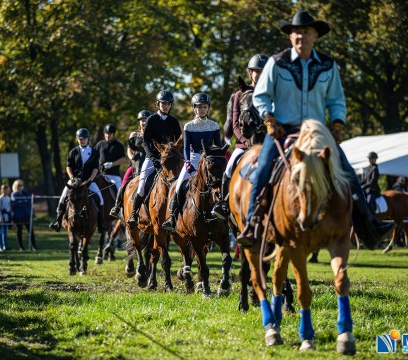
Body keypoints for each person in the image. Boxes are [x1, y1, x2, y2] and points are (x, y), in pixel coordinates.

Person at [237, 10, 392, 249]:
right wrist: (268, 118)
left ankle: (369, 227)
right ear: (290, 36)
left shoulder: (328, 65)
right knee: (264, 169)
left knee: (347, 173)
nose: (301, 36)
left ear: (315, 35)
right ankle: (252, 224)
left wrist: (338, 123)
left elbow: (336, 100)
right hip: (282, 129)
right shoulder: (277, 63)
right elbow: (261, 95)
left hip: (318, 132)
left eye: (306, 32)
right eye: (296, 32)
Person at [212, 54, 269, 220]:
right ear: (249, 73)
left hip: (267, 144)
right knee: (228, 170)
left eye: (262, 71)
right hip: (243, 146)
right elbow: (235, 124)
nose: (259, 74)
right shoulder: (239, 95)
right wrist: (247, 142)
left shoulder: (271, 94)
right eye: (256, 71)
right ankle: (223, 204)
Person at [162, 93, 221, 232]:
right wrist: (187, 162)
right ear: (194, 109)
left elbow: (217, 146)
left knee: (221, 184)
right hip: (194, 159)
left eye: (204, 107)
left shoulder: (214, 125)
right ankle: (172, 217)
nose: (201, 110)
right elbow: (187, 147)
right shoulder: (188, 126)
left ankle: (224, 213)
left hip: (209, 160)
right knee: (179, 185)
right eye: (198, 107)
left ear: (208, 108)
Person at [126, 90, 182, 229]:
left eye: (168, 104)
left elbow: (178, 142)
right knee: (142, 184)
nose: (166, 106)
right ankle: (134, 214)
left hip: (169, 159)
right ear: (158, 104)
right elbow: (145, 142)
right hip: (153, 158)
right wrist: (153, 158)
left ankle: (179, 215)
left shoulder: (174, 121)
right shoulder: (151, 120)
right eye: (163, 103)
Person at [49, 128, 105, 232]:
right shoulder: (73, 152)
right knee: (62, 197)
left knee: (100, 199)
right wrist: (72, 178)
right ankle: (58, 221)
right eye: (80, 139)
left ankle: (101, 224)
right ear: (77, 139)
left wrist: (90, 180)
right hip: (74, 181)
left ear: (88, 139)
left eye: (84, 139)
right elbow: (68, 166)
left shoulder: (93, 152)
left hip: (88, 181)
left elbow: (95, 168)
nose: (82, 140)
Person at [110, 110, 151, 219]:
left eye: (146, 120)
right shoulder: (134, 134)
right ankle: (117, 206)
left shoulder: (152, 135)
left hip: (149, 164)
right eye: (142, 120)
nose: (144, 122)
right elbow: (129, 150)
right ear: (139, 122)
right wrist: (132, 157)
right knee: (124, 183)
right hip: (135, 164)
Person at [95, 124, 126, 191]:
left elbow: (123, 158)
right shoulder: (99, 144)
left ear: (113, 134)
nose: (107, 135)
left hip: (113, 175)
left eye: (109, 134)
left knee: (119, 191)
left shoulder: (118, 145)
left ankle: (119, 201)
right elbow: (94, 157)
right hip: (100, 174)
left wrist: (112, 164)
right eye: (106, 134)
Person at [11, 179, 37, 251]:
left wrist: (23, 202)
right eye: (19, 185)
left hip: (27, 214)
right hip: (18, 215)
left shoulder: (25, 192)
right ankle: (21, 247)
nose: (20, 187)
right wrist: (24, 201)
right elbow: (16, 203)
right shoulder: (13, 194)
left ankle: (34, 246)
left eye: (21, 185)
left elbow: (29, 201)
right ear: (16, 186)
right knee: (19, 230)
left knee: (30, 230)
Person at [0, 184, 12, 252]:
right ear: (3, 190)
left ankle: (5, 245)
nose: (8, 191)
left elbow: (10, 208)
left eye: (8, 190)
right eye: (7, 190)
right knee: (1, 232)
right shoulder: (0, 198)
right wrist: (0, 218)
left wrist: (10, 217)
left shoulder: (8, 198)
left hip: (7, 217)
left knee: (5, 232)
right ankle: (0, 246)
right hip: (1, 217)